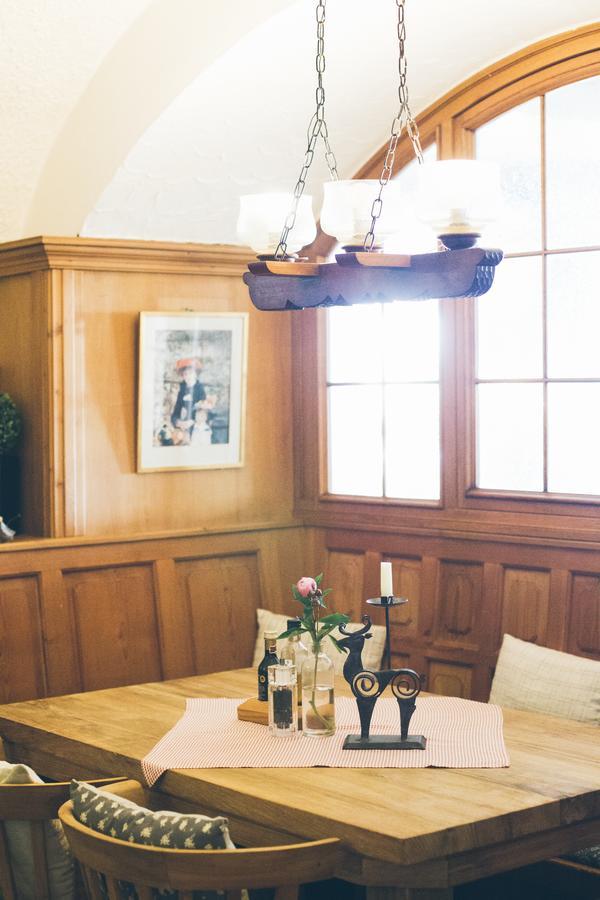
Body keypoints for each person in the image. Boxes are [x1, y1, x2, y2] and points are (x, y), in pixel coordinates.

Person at [170, 358, 215, 444]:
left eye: (190, 373)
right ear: (183, 376)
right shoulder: (182, 390)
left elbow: (204, 414)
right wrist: (178, 422)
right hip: (184, 429)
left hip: (198, 429)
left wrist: (193, 421)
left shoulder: (200, 389)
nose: (188, 376)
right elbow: (176, 412)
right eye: (185, 374)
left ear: (195, 374)